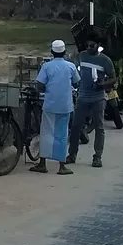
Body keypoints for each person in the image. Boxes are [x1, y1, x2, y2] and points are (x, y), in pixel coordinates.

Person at [68, 30, 115, 167]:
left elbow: (113, 79)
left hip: (98, 98)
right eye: (87, 45)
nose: (89, 48)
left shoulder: (105, 60)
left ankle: (97, 157)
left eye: (92, 46)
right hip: (82, 97)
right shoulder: (81, 56)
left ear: (98, 45)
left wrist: (102, 84)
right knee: (76, 127)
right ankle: (72, 155)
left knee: (99, 128)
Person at [32, 41, 79, 176]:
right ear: (64, 53)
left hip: (50, 104)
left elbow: (40, 84)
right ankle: (61, 166)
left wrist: (48, 89)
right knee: (62, 134)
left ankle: (42, 163)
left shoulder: (46, 66)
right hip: (65, 105)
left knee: (46, 132)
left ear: (52, 52)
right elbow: (76, 81)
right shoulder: (71, 66)